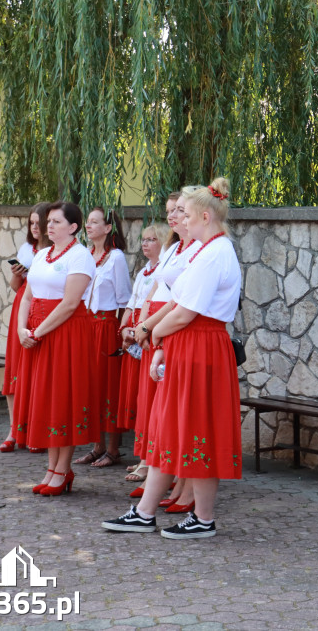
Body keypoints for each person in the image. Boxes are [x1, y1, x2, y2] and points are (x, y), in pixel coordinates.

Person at [103, 178, 242, 538]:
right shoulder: (202, 249)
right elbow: (178, 304)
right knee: (170, 428)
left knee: (196, 429)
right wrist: (158, 337)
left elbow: (186, 312)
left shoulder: (215, 252)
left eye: (187, 214)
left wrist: (152, 333)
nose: (180, 220)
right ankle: (146, 512)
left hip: (200, 345)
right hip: (188, 345)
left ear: (206, 216)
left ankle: (203, 518)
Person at [13, 202, 99, 496]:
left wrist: (37, 331)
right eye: (48, 221)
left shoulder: (80, 256)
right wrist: (22, 329)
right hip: (39, 333)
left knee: (62, 399)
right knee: (46, 400)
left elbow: (70, 304)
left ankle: (62, 470)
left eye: (56, 222)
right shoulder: (41, 255)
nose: (49, 226)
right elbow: (26, 297)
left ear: (73, 227)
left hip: (65, 335)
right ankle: (53, 468)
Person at [130, 192, 200, 511]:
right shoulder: (174, 248)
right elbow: (158, 289)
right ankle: (171, 482)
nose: (173, 216)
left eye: (179, 211)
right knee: (163, 412)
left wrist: (151, 328)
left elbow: (181, 301)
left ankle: (187, 489)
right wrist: (143, 323)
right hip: (162, 330)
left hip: (177, 329)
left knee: (181, 413)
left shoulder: (199, 251)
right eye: (171, 211)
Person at [74, 208, 132, 468]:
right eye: (87, 222)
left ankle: (112, 449)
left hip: (107, 326)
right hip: (86, 326)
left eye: (95, 222)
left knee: (108, 385)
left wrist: (121, 334)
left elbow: (124, 299)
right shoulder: (86, 256)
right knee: (91, 386)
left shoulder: (116, 258)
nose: (88, 226)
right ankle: (96, 446)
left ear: (108, 228)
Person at [117, 222, 168, 489]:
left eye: (151, 240)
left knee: (150, 398)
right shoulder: (143, 272)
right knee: (142, 398)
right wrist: (125, 327)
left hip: (150, 336)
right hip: (139, 334)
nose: (145, 244)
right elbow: (132, 303)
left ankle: (150, 460)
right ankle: (144, 455)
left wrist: (143, 330)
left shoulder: (164, 270)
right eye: (143, 240)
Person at [0, 202, 50, 453]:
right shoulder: (26, 248)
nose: (35, 227)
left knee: (37, 371)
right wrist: (17, 273)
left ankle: (35, 430)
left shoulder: (56, 252)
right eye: (31, 223)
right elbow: (15, 287)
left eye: (38, 222)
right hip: (22, 305)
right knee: (15, 367)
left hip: (43, 311)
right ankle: (13, 429)